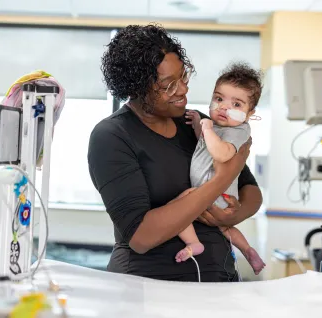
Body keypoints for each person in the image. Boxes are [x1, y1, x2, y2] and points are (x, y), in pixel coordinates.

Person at [87, 24, 263, 282]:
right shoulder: (112, 136)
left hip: (219, 282)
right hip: (147, 287)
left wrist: (234, 214)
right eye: (169, 85)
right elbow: (141, 237)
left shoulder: (199, 124)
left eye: (183, 77)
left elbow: (251, 190)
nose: (183, 90)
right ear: (137, 87)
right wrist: (221, 180)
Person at [174, 63, 266, 276]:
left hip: (211, 192)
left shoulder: (238, 131)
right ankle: (247, 249)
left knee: (178, 209)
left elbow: (222, 153)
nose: (224, 107)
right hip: (219, 195)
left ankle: (194, 243)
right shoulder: (221, 127)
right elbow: (205, 145)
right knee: (224, 228)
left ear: (250, 113)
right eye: (219, 99)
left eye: (236, 104)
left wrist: (206, 127)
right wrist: (200, 126)